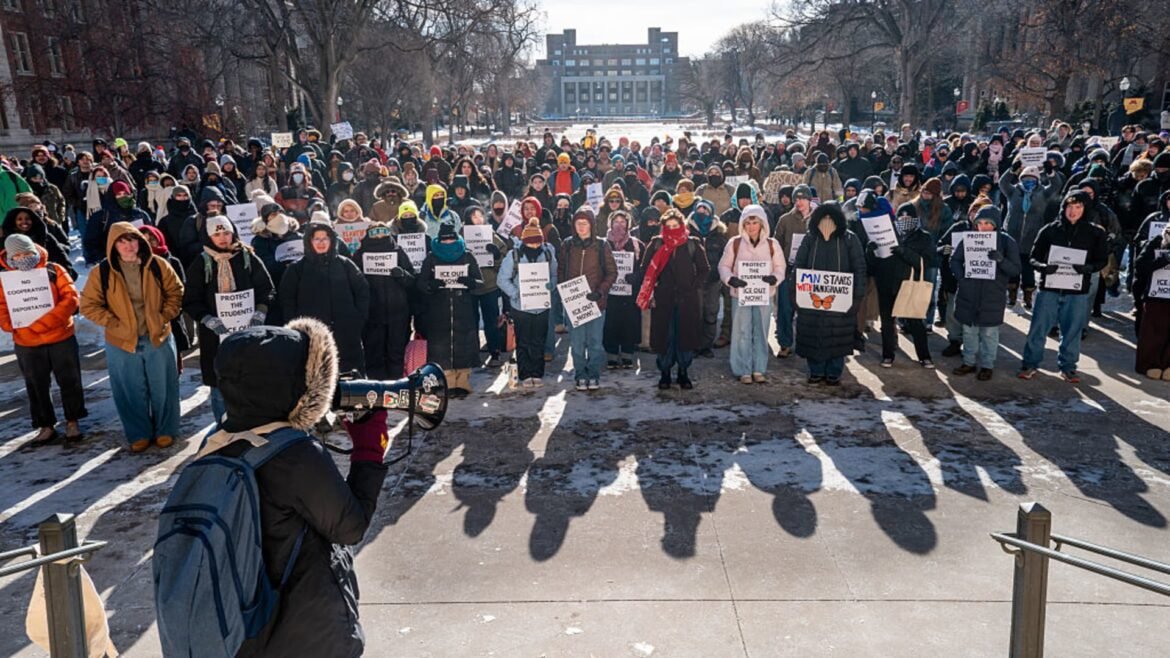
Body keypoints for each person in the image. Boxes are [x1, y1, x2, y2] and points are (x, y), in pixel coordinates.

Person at [194, 319, 392, 658]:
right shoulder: (293, 454)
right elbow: (350, 526)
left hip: (242, 632)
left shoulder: (213, 444)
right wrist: (368, 450)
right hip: (305, 632)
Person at [79, 222, 184, 452]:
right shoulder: (102, 272)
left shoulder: (157, 265)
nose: (128, 246)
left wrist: (164, 315)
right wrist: (113, 323)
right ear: (113, 245)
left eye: (132, 240)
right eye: (122, 241)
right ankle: (139, 432)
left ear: (141, 241)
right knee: (129, 389)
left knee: (163, 387)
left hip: (157, 336)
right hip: (121, 341)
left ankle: (166, 429)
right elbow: (88, 305)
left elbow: (175, 291)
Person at [182, 216, 275, 425]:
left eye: (226, 232)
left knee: (250, 379)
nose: (223, 238)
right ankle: (224, 428)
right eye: (217, 234)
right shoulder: (201, 263)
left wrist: (260, 312)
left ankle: (252, 424)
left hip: (249, 333)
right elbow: (190, 300)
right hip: (215, 337)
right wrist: (207, 319)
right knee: (219, 384)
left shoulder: (247, 258)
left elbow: (266, 289)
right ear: (209, 236)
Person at [0, 234, 86, 443]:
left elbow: (71, 299)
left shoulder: (54, 270)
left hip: (60, 337)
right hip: (27, 343)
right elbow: (2, 309)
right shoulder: (5, 279)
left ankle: (72, 421)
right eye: (18, 255)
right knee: (36, 385)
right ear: (10, 256)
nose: (23, 257)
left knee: (70, 380)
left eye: (28, 253)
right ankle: (45, 425)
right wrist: (11, 324)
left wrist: (43, 322)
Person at [1018, 190, 1110, 383]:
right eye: (1069, 206)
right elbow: (1033, 257)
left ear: (1085, 209)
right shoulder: (1050, 230)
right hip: (1049, 288)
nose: (1073, 211)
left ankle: (1068, 367)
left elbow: (1102, 259)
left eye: (1078, 207)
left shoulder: (1095, 233)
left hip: (1077, 290)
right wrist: (1043, 267)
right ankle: (1030, 363)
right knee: (1038, 328)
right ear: (1063, 207)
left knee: (1072, 330)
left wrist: (1089, 268)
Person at [279, 223, 370, 375]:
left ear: (332, 241)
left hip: (346, 335)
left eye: (325, 239)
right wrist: (297, 327)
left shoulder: (345, 264)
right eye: (317, 239)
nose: (321, 243)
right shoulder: (296, 269)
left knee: (352, 380)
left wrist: (357, 319)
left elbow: (362, 291)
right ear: (309, 241)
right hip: (312, 337)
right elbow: (287, 300)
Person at [791, 203, 867, 384]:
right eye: (823, 218)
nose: (827, 222)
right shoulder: (810, 238)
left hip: (841, 300)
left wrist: (857, 297)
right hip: (811, 299)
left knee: (838, 336)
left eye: (830, 218)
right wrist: (794, 292)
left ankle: (834, 370)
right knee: (813, 334)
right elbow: (798, 265)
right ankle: (816, 370)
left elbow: (859, 268)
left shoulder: (850, 239)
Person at [637, 208, 708, 390]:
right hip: (663, 299)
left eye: (675, 225)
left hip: (687, 299)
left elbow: (704, 269)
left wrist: (693, 287)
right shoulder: (656, 244)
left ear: (682, 225)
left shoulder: (692, 244)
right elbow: (646, 269)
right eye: (668, 226)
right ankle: (665, 372)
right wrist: (654, 289)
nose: (672, 229)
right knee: (665, 337)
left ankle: (683, 372)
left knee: (685, 336)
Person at [949, 207, 1022, 381]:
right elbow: (955, 260)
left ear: (995, 225)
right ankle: (969, 362)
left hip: (992, 295)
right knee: (969, 330)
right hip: (969, 293)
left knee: (989, 333)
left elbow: (1016, 269)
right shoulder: (970, 239)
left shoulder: (1006, 242)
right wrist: (962, 278)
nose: (983, 227)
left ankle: (987, 365)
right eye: (980, 223)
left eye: (988, 223)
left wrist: (1001, 260)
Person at [719, 204, 785, 383]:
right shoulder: (735, 243)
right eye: (747, 223)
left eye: (754, 222)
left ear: (762, 223)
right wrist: (731, 279)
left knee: (761, 331)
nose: (751, 226)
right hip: (740, 295)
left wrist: (774, 278)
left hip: (764, 295)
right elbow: (724, 266)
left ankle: (759, 368)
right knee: (741, 331)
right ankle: (743, 369)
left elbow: (780, 267)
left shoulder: (773, 244)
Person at [418, 223, 483, 398]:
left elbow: (479, 282)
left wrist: (470, 282)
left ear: (456, 238)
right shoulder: (431, 258)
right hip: (438, 309)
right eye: (445, 239)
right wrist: (431, 285)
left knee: (463, 343)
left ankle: (462, 382)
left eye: (451, 238)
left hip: (463, 307)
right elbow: (421, 284)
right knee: (441, 346)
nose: (448, 242)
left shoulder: (467, 256)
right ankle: (446, 381)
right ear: (439, 239)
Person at [869, 202, 935, 368]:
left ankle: (924, 356)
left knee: (915, 322)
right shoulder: (887, 234)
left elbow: (926, 262)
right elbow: (873, 265)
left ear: (915, 219)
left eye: (908, 218)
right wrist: (869, 250)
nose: (904, 221)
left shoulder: (924, 237)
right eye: (901, 217)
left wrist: (903, 252)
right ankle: (887, 355)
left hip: (908, 285)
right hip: (886, 284)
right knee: (886, 323)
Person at [559, 206, 617, 391]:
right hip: (574, 302)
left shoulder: (601, 245)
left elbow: (612, 272)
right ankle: (580, 374)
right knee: (577, 343)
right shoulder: (567, 245)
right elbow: (561, 270)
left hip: (596, 302)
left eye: (585, 223)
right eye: (578, 223)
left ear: (592, 225)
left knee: (595, 342)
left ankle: (593, 374)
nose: (582, 227)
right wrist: (564, 292)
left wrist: (600, 292)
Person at [351, 220, 416, 379]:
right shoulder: (360, 255)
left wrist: (401, 275)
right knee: (374, 352)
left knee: (396, 351)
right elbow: (352, 283)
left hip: (398, 313)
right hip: (372, 313)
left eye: (383, 232)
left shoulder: (398, 251)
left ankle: (397, 385)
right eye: (375, 232)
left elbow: (411, 280)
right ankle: (376, 389)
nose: (379, 235)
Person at [498, 218, 558, 388]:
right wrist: (515, 294)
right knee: (523, 341)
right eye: (531, 243)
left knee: (539, 340)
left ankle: (537, 373)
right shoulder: (514, 255)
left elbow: (554, 273)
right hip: (521, 307)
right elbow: (502, 279)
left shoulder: (547, 254)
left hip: (541, 305)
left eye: (537, 242)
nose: (534, 246)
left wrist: (551, 285)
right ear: (524, 241)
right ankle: (525, 374)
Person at [463, 205, 510, 368]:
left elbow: (504, 258)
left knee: (491, 321)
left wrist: (496, 255)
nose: (478, 219)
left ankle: (495, 351)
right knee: (471, 322)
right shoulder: (462, 236)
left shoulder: (490, 235)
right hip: (469, 286)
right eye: (474, 216)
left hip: (489, 285)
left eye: (480, 216)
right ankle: (472, 353)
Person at [773, 184, 814, 358]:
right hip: (789, 270)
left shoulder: (818, 219)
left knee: (808, 311)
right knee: (785, 309)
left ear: (809, 200)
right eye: (796, 198)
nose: (799, 202)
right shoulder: (785, 220)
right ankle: (785, 343)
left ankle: (807, 344)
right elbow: (777, 244)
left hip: (811, 272)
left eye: (803, 198)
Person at [687, 199, 730, 355]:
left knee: (710, 312)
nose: (702, 212)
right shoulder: (688, 232)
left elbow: (724, 257)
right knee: (694, 313)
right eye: (700, 209)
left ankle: (706, 345)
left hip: (713, 281)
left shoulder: (719, 235)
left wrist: (720, 275)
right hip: (694, 281)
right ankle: (694, 344)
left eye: (706, 210)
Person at [602, 210, 643, 369]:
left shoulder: (636, 244)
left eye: (623, 222)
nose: (619, 225)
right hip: (610, 292)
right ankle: (611, 354)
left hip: (630, 293)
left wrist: (636, 277)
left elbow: (644, 267)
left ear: (628, 224)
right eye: (616, 221)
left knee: (629, 323)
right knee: (610, 322)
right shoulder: (603, 243)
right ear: (610, 224)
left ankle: (627, 353)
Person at [1133, 222, 1170, 380]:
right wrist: (1161, 261)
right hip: (1156, 296)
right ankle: (1149, 364)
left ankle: (1168, 365)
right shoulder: (1156, 242)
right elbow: (1140, 266)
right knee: (1153, 332)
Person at [83, 180, 152, 265]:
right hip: (112, 263)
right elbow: (91, 242)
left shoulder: (140, 214)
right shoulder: (101, 216)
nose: (123, 197)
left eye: (125, 194)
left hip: (140, 261)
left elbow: (151, 237)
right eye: (119, 194)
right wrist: (102, 261)